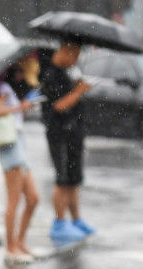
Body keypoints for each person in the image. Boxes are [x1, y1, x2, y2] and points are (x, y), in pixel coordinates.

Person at [0, 56, 42, 264]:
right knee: (14, 200)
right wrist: (20, 107)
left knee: (33, 198)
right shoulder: (2, 87)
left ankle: (20, 242)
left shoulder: (10, 88)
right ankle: (10, 247)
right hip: (10, 146)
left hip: (19, 142)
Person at [40, 41, 94, 246]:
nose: (76, 59)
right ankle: (59, 222)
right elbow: (59, 106)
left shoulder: (68, 71)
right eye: (75, 54)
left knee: (73, 179)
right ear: (65, 51)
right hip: (59, 133)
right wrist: (79, 91)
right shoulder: (50, 74)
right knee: (62, 179)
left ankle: (76, 220)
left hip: (74, 132)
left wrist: (78, 86)